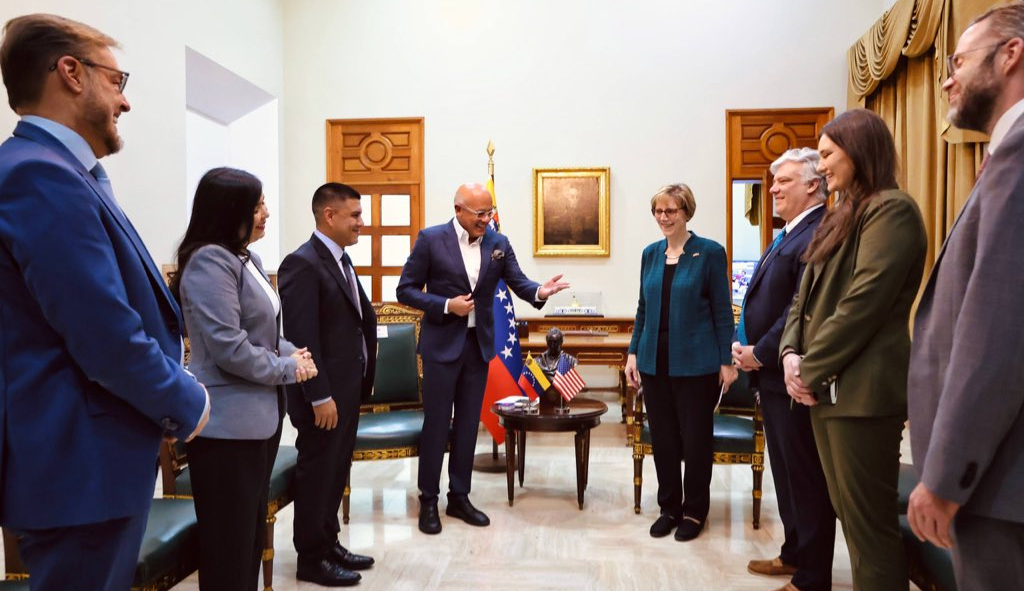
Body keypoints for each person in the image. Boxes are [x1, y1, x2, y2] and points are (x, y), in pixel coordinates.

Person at [0, 14, 209, 591]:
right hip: (78, 468)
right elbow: (103, 334)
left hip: (91, 464)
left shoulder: (66, 172)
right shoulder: (38, 174)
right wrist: (185, 399)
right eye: (118, 82)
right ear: (71, 73)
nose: (126, 102)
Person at [779, 108, 927, 591]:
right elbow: (804, 299)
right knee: (848, 514)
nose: (820, 167)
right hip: (829, 394)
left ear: (859, 150)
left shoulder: (892, 210)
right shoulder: (843, 215)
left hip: (861, 396)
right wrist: (789, 355)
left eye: (826, 154)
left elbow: (863, 302)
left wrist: (810, 369)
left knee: (870, 527)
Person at [907, 4, 1024, 589]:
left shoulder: (1020, 152)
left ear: (1011, 55)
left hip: (999, 482)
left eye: (957, 62)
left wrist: (948, 476)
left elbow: (998, 331)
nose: (948, 79)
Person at [172, 167, 318, 590]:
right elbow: (229, 347)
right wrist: (288, 369)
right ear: (228, 210)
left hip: (260, 419)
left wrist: (294, 353)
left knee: (248, 541)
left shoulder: (246, 258)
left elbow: (265, 331)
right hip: (225, 427)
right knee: (228, 550)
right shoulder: (208, 261)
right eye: (257, 206)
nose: (266, 213)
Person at [396, 182, 570, 535]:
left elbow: (517, 281)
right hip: (441, 349)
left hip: (479, 347)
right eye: (480, 213)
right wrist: (447, 305)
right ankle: (428, 500)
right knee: (437, 424)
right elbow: (406, 290)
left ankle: (459, 496)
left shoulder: (498, 243)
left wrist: (540, 291)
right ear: (458, 209)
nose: (486, 219)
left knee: (466, 426)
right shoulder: (431, 239)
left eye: (489, 212)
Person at [733, 149, 834, 591]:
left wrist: (760, 351)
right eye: (773, 181)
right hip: (772, 375)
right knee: (787, 474)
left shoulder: (818, 231)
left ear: (813, 185)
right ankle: (794, 554)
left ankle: (812, 576)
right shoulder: (789, 232)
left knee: (806, 478)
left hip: (789, 371)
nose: (772, 188)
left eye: (784, 181)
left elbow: (800, 307)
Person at [624, 183, 737, 542]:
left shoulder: (710, 253)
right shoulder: (650, 254)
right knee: (665, 441)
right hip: (654, 364)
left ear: (686, 211)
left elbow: (722, 311)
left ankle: (694, 512)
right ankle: (669, 507)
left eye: (671, 211)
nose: (663, 217)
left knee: (696, 442)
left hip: (697, 365)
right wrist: (632, 352)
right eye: (658, 211)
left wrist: (726, 360)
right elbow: (643, 308)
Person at [278, 182, 377, 586]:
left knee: (337, 469)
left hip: (347, 390)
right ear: (328, 216)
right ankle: (311, 558)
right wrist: (319, 395)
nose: (361, 222)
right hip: (324, 395)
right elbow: (304, 340)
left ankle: (329, 541)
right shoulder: (302, 263)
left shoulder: (340, 259)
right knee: (318, 471)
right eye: (354, 215)